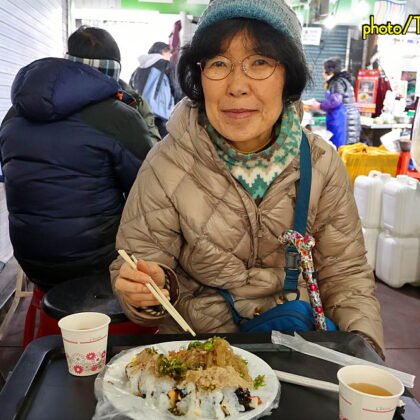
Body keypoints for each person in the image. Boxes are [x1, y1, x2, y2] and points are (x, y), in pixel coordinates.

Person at [111, 0, 384, 357]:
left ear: (289, 76)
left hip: (297, 348)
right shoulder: (166, 163)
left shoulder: (320, 162)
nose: (237, 85)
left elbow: (345, 274)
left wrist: (366, 354)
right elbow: (139, 265)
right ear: (200, 76)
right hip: (199, 351)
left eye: (260, 62)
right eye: (219, 63)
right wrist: (150, 290)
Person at [0, 26, 154, 291]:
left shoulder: (15, 113)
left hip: (29, 258)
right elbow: (149, 190)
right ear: (113, 71)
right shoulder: (119, 117)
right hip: (96, 264)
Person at [130, 42, 182, 138]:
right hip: (162, 116)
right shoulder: (167, 65)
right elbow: (177, 89)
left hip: (140, 114)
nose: (170, 55)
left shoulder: (138, 69)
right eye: (169, 52)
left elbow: (130, 89)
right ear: (163, 51)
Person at [308, 57, 361, 147]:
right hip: (344, 118)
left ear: (330, 72)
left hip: (343, 121)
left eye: (323, 71)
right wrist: (317, 102)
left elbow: (335, 101)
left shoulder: (337, 82)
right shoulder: (342, 80)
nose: (322, 74)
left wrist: (319, 106)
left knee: (340, 149)